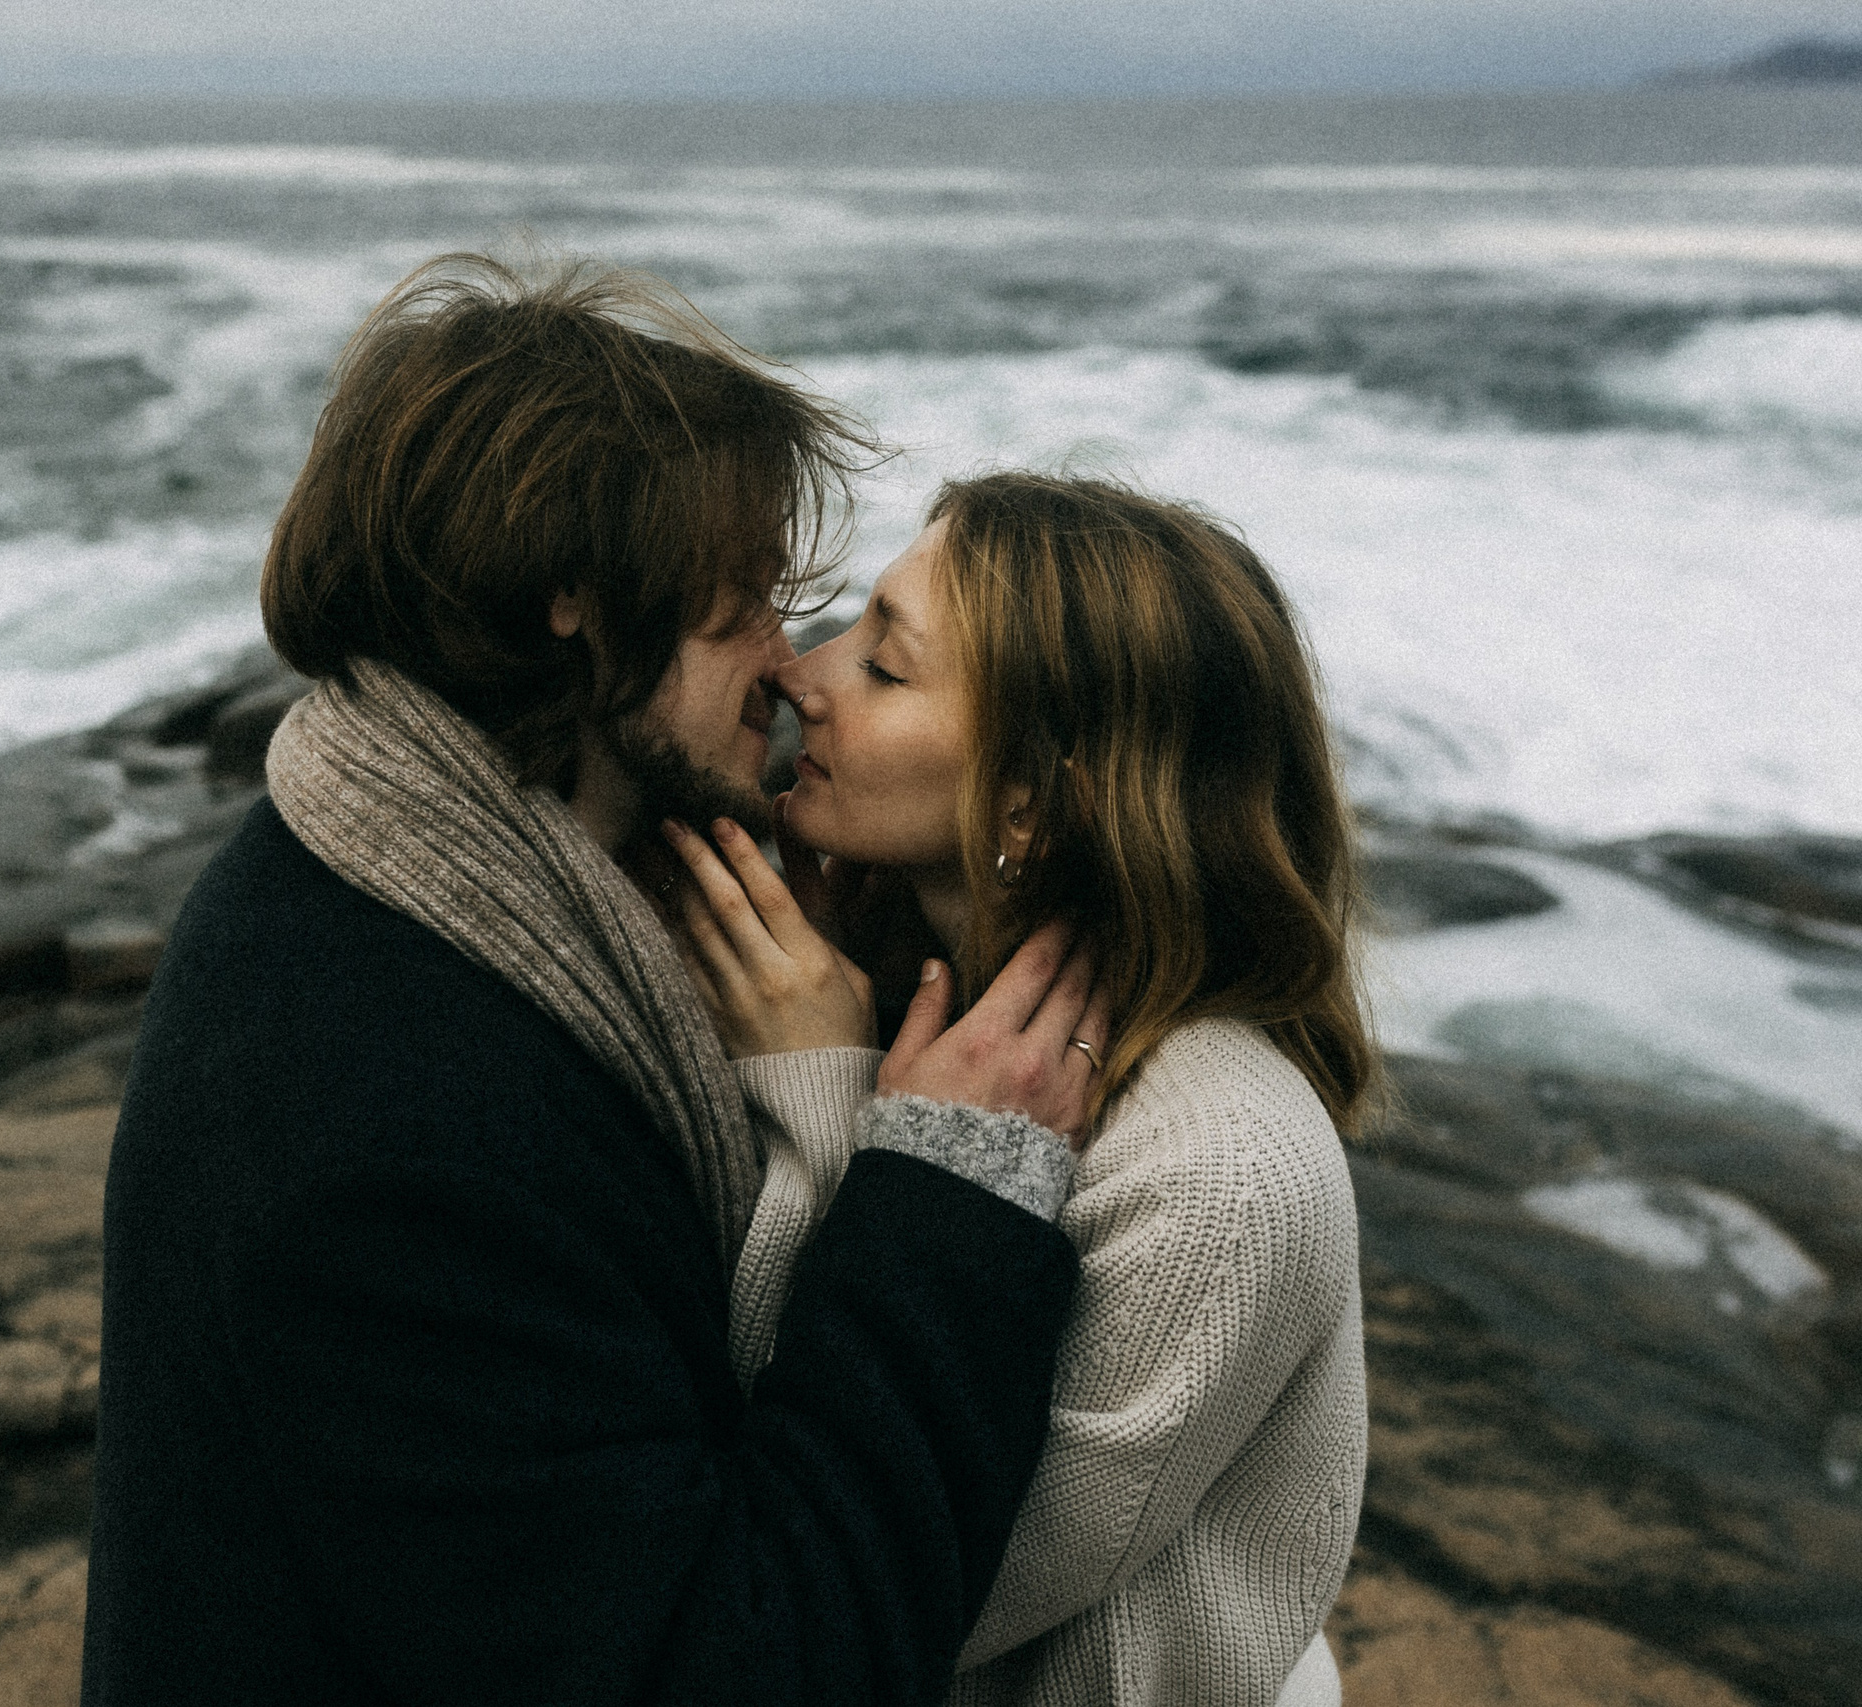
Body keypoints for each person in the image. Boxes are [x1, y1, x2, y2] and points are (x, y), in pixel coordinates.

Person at [80, 256, 1118, 1707]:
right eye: (744, 602)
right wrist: (948, 1190)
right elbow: (735, 1666)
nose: (786, 664)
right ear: (573, 597)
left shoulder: (399, 869)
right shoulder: (395, 1113)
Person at [661, 472, 1375, 1707]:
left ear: (1034, 806)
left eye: (885, 670)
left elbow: (892, 1589)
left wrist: (827, 1096)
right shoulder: (910, 995)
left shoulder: (1218, 1168)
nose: (801, 677)